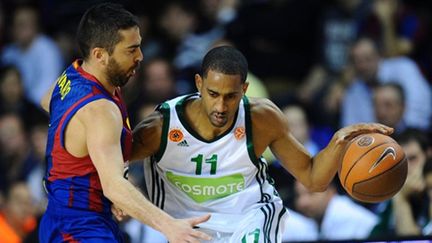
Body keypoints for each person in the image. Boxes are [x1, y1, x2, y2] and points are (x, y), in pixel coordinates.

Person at [131, 45, 393, 242]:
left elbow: (314, 178)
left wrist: (338, 142)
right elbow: (107, 158)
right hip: (187, 225)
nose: (221, 106)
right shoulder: (162, 126)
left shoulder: (261, 118)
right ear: (199, 84)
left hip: (249, 219)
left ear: (244, 90)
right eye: (213, 94)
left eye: (231, 96)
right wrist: (120, 189)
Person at [38, 3, 211, 243]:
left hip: (69, 217)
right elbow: (114, 186)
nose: (140, 57)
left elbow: (48, 100)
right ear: (100, 55)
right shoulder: (99, 109)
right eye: (131, 50)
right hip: (79, 228)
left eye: (139, 46)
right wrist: (170, 226)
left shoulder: (75, 72)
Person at [294, 180, 378, 240]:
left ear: (331, 191)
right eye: (298, 195)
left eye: (311, 193)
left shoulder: (343, 213)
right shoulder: (320, 219)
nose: (302, 202)